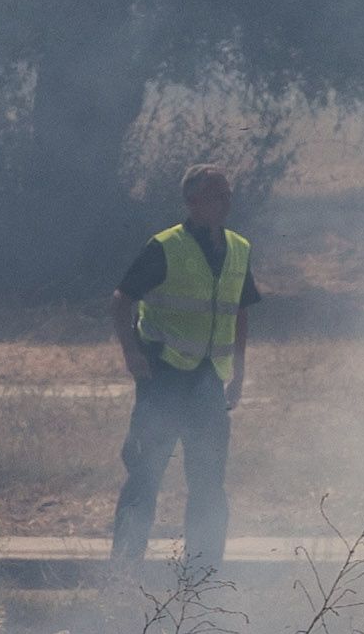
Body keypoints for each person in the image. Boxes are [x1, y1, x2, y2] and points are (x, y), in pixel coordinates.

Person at [109, 164, 259, 573]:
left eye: (227, 194)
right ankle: (122, 575)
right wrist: (132, 355)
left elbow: (240, 311)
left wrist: (240, 376)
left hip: (208, 382)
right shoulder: (165, 246)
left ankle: (202, 580)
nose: (226, 202)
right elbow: (122, 301)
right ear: (193, 202)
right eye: (216, 195)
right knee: (144, 477)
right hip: (163, 380)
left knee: (209, 485)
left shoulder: (238, 248)